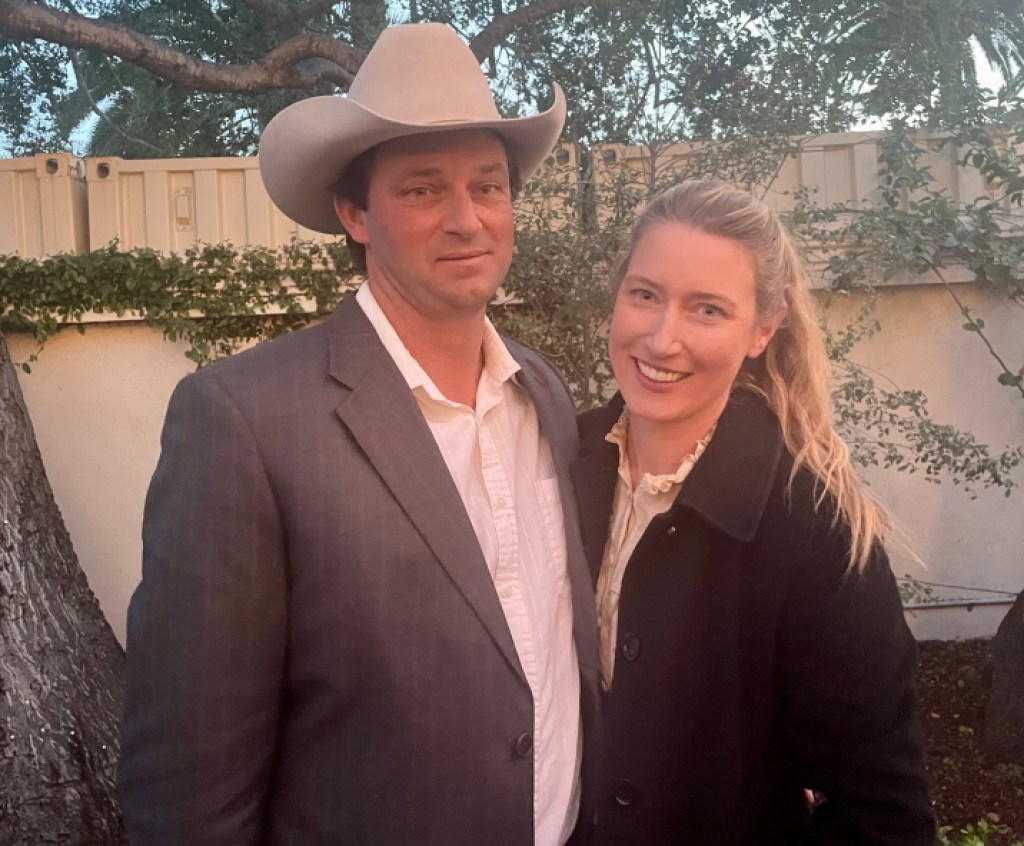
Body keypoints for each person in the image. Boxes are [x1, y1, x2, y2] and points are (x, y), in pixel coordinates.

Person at [118, 23, 600, 846]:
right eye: (423, 190)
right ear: (355, 214)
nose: (467, 220)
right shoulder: (243, 421)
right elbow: (188, 787)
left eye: (488, 186)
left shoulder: (543, 395)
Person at [571, 180, 935, 845]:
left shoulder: (812, 526)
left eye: (707, 310)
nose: (662, 338)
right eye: (645, 295)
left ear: (763, 329)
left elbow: (883, 813)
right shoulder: (558, 463)